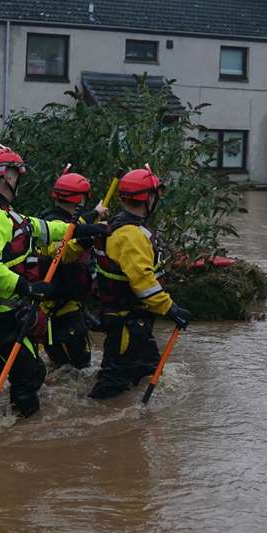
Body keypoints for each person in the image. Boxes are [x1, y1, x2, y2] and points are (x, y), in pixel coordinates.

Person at [0, 146, 106, 418]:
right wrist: (28, 287)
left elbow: (42, 228)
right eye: (16, 173)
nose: (18, 179)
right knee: (30, 373)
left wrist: (82, 228)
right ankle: (23, 429)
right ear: (7, 177)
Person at [88, 167, 192, 400]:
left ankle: (133, 427)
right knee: (112, 385)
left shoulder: (114, 225)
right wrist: (172, 310)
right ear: (149, 198)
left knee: (147, 371)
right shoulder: (132, 236)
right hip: (128, 323)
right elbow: (143, 283)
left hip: (131, 321)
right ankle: (106, 429)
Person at [37, 168, 100, 370]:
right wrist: (85, 242)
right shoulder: (55, 223)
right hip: (61, 310)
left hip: (57, 308)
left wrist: (97, 214)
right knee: (78, 368)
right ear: (79, 200)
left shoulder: (61, 219)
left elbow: (80, 223)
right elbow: (59, 252)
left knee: (60, 367)